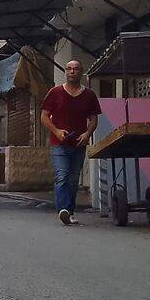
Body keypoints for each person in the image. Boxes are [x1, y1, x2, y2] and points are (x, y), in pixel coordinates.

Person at [39, 60, 102, 226]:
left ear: (81, 72)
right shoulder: (55, 93)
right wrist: (57, 131)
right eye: (69, 69)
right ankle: (63, 210)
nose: (72, 71)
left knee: (73, 179)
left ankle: (70, 211)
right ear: (66, 72)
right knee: (62, 175)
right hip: (58, 144)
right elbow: (44, 117)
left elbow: (94, 119)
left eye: (75, 69)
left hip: (78, 144)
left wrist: (87, 134)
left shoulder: (89, 95)